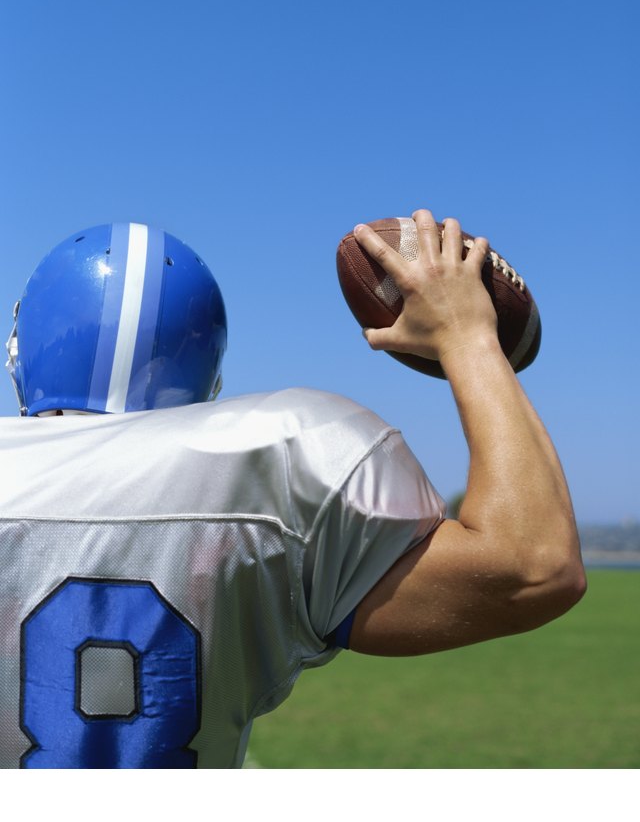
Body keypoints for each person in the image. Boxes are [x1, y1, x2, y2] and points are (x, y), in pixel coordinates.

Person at [0, 211, 585, 769]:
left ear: (21, 352)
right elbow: (533, 565)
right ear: (209, 377)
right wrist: (467, 336)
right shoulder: (277, 467)